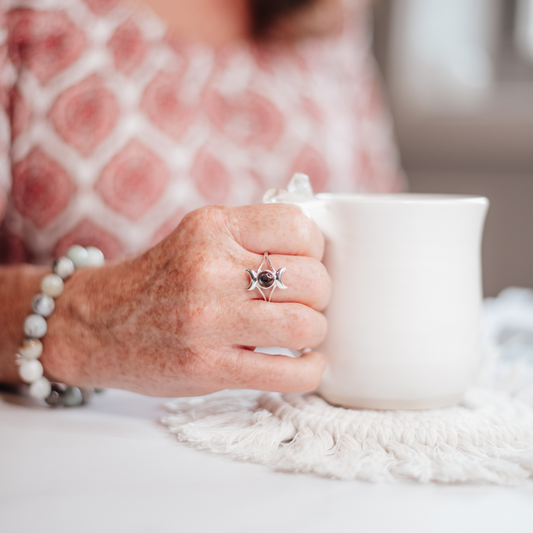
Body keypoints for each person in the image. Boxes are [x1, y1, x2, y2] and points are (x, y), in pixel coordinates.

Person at [0, 0, 403, 399]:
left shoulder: (333, 15)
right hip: (100, 439)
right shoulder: (30, 18)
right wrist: (91, 319)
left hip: (320, 427)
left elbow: (387, 215)